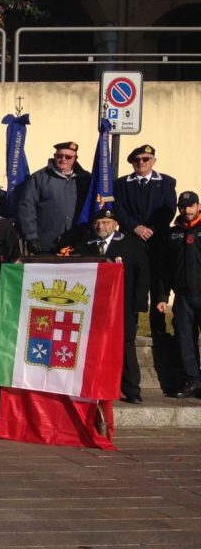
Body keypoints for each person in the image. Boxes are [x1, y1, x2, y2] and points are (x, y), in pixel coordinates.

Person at [80, 207, 150, 404]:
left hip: (123, 305)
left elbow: (143, 274)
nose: (101, 226)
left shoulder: (130, 244)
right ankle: (96, 385)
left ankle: (132, 389)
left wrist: (139, 303)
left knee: (126, 345)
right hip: (94, 307)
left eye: (106, 222)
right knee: (94, 345)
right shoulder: (85, 246)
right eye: (97, 223)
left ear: (116, 224)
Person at [114, 144, 177, 338]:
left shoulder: (166, 182)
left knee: (158, 283)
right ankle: (130, 328)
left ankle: (158, 329)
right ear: (132, 163)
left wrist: (152, 229)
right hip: (132, 240)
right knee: (132, 282)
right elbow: (118, 209)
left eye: (146, 159)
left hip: (157, 240)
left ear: (154, 161)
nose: (141, 162)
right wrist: (136, 227)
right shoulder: (122, 184)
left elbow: (169, 209)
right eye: (137, 160)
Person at [154, 191, 201, 399]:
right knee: (185, 339)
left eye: (191, 206)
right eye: (183, 207)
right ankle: (193, 381)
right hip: (183, 297)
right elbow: (165, 267)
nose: (187, 210)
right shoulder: (173, 233)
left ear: (198, 206)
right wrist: (163, 296)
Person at [18, 141, 91, 254]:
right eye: (59, 156)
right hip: (47, 242)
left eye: (68, 157)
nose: (63, 159)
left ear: (75, 159)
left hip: (78, 241)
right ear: (54, 156)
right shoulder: (39, 178)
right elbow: (27, 207)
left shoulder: (85, 178)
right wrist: (31, 236)